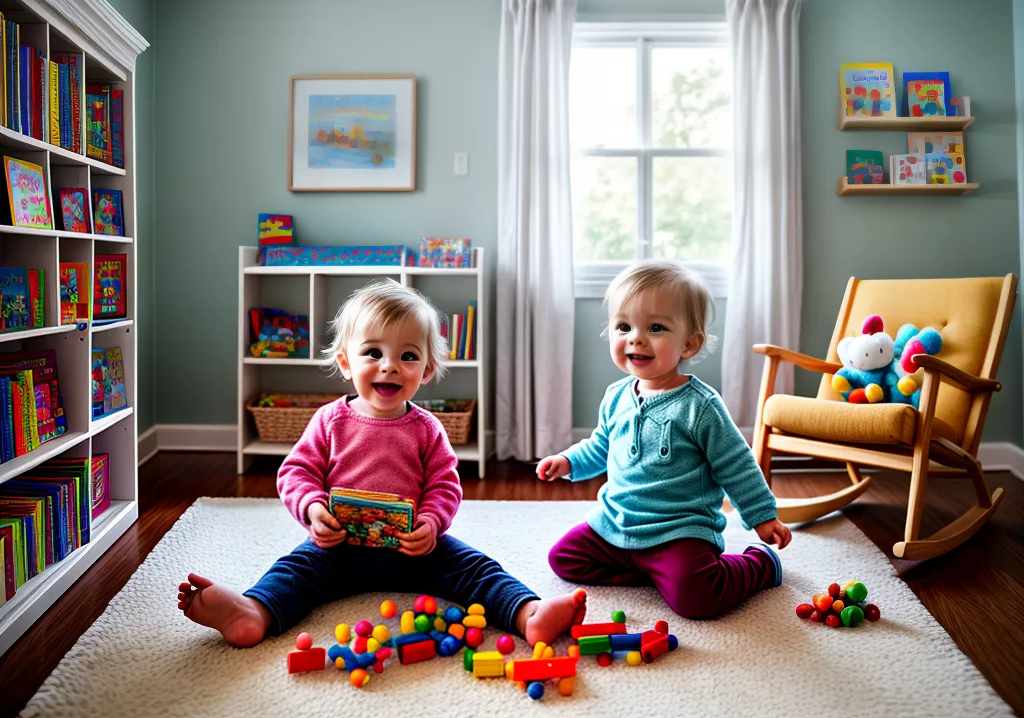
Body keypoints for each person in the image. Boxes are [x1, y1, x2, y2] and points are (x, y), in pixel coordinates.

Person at [178, 279, 586, 646]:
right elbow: (296, 473)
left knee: (475, 568)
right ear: (345, 363)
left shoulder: (427, 428)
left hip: (415, 549)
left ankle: (527, 614)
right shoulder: (330, 420)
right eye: (373, 352)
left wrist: (430, 524)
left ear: (426, 370)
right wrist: (314, 510)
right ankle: (253, 612)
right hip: (338, 547)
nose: (389, 365)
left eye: (407, 356)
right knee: (295, 571)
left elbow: (444, 485)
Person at [538, 260, 791, 619]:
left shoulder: (700, 406)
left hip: (679, 531)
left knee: (698, 598)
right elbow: (600, 445)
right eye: (623, 326)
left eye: (655, 327)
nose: (636, 338)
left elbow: (736, 464)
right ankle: (654, 574)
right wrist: (567, 462)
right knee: (564, 558)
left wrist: (762, 516)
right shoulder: (616, 395)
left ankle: (758, 565)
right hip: (618, 523)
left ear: (689, 344)